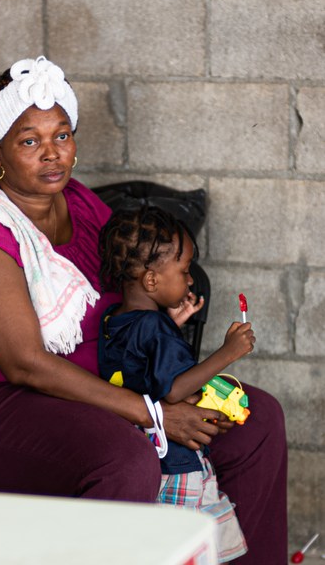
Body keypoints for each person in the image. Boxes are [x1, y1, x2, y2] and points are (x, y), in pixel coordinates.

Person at [0, 55, 287, 564]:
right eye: (30, 142)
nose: (53, 154)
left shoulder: (81, 205)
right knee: (125, 461)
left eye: (62, 135)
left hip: (106, 383)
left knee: (256, 418)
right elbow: (25, 364)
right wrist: (156, 416)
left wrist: (163, 326)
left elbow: (132, 291)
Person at [98, 206, 254, 562]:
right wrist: (227, 353)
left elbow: (139, 366)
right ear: (151, 282)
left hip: (150, 454)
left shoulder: (114, 320)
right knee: (190, 549)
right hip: (179, 465)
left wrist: (170, 327)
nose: (190, 281)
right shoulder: (154, 328)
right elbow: (174, 390)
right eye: (184, 271)